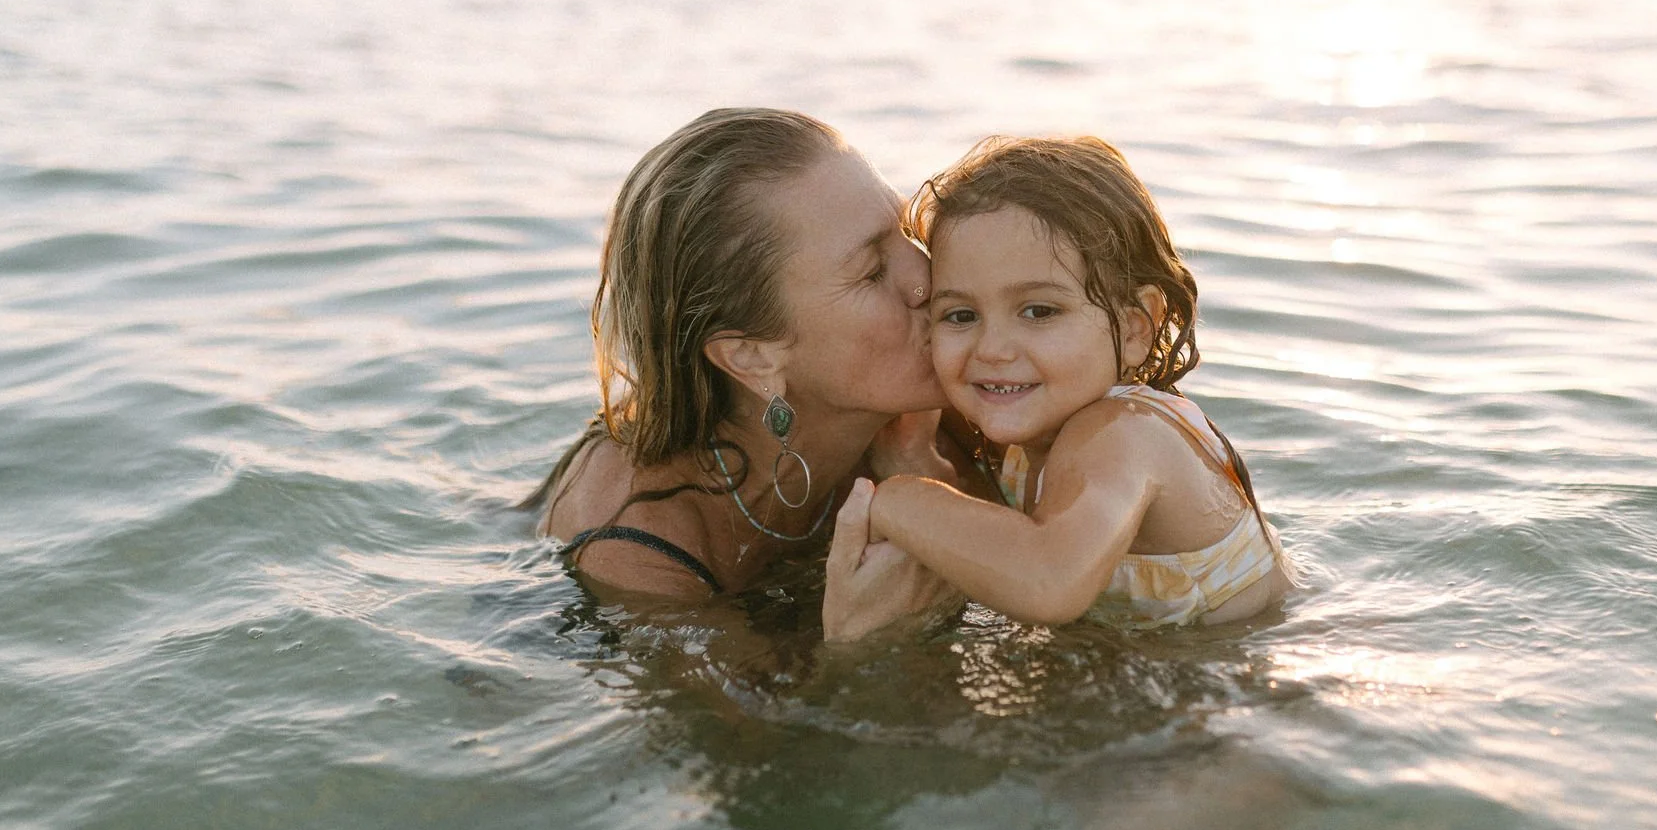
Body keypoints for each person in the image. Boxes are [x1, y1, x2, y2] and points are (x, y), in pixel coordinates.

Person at [530, 107, 975, 639]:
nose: (926, 274)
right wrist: (866, 645)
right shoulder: (637, 549)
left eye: (906, 228)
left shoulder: (933, 408)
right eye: (873, 270)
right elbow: (745, 725)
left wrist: (920, 476)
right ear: (751, 356)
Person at [856, 136, 1293, 630]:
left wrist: (898, 497)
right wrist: (914, 458)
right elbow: (996, 548)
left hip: (1252, 680)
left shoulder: (1123, 432)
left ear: (1134, 329)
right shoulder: (1044, 426)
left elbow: (1047, 583)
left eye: (1039, 311)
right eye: (961, 315)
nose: (992, 348)